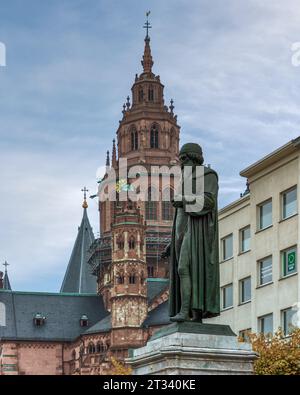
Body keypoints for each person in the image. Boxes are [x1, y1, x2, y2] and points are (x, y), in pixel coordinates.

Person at [162, 143, 220, 322]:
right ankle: (191, 314)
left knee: (184, 268)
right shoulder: (185, 180)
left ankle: (186, 311)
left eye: (184, 159)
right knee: (184, 272)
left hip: (197, 232)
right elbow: (180, 218)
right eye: (180, 160)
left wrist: (183, 200)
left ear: (194, 158)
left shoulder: (208, 175)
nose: (181, 164)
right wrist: (172, 242)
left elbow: (209, 201)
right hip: (183, 232)